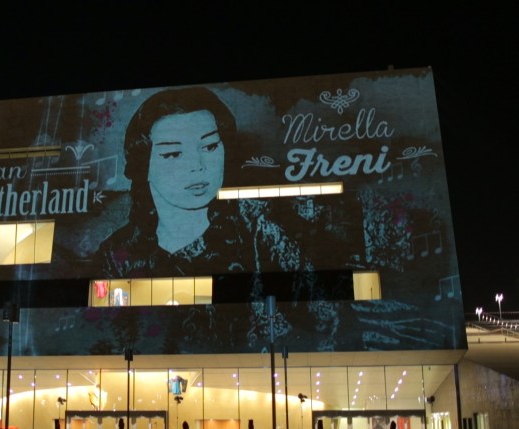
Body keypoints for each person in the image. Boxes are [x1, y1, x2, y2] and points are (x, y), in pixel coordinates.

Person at [96, 86, 338, 350]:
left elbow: (327, 317)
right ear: (143, 165)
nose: (198, 165)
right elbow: (103, 334)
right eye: (173, 154)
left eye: (210, 146)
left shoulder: (258, 230)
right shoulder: (117, 255)